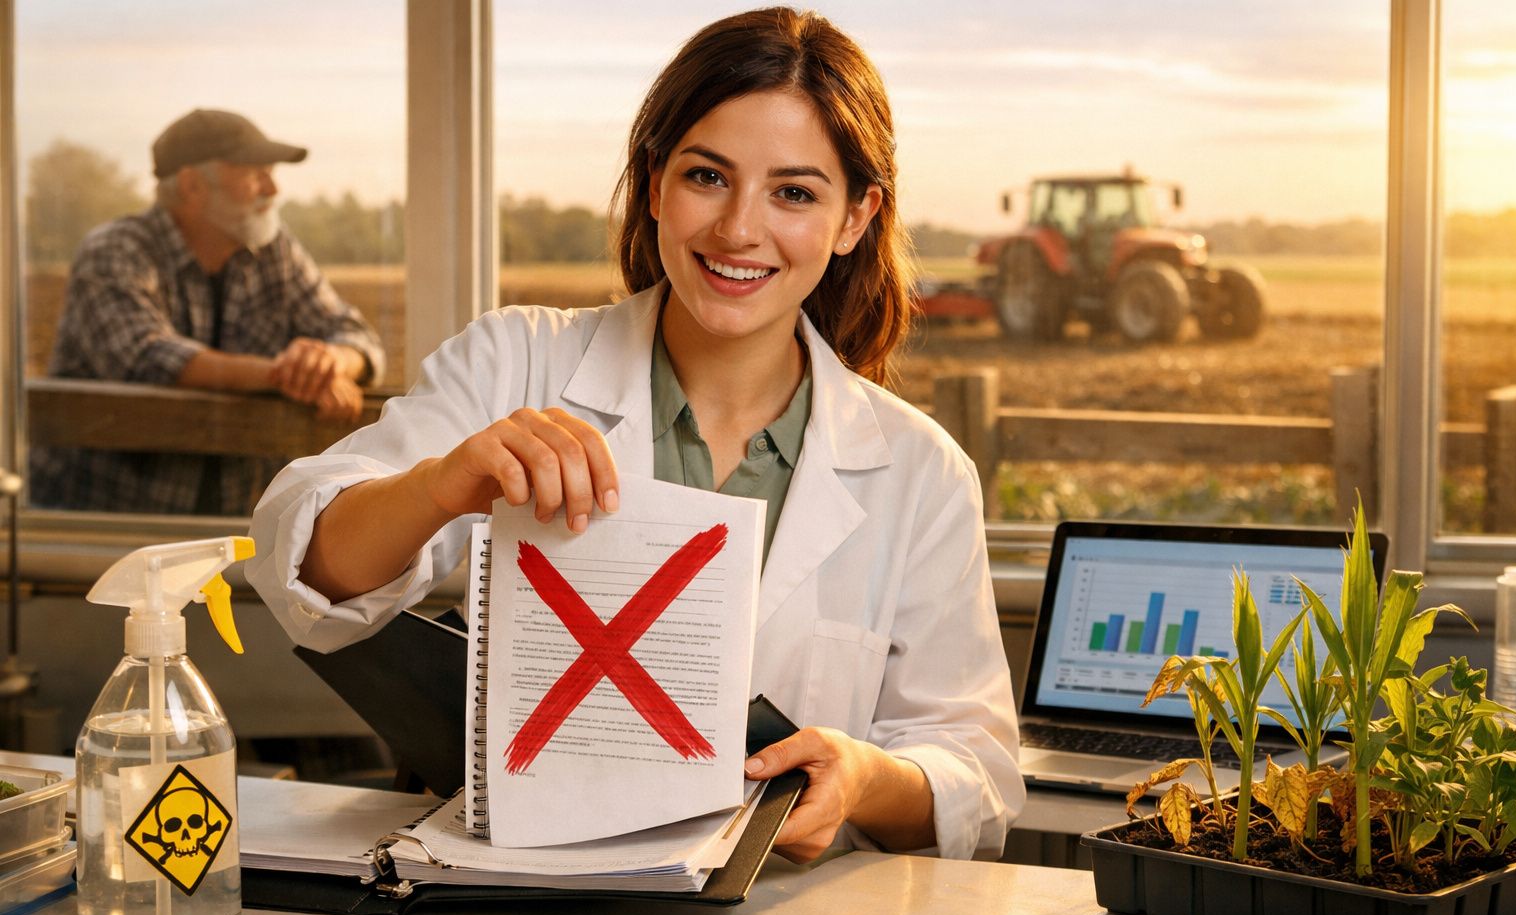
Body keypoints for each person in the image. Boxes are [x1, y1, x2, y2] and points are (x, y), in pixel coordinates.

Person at [248, 8, 1024, 862]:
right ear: (655, 182)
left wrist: (866, 777)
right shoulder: (516, 362)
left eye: (794, 192)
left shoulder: (920, 472)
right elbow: (304, 563)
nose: (738, 230)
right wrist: (441, 485)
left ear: (854, 219)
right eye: (707, 177)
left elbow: (976, 777)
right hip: (519, 912)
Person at [29, 108, 385, 516]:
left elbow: (355, 335)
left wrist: (330, 362)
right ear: (193, 186)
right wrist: (286, 375)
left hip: (231, 533)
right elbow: (149, 357)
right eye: (256, 173)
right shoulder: (115, 250)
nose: (273, 188)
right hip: (105, 531)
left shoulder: (275, 250)